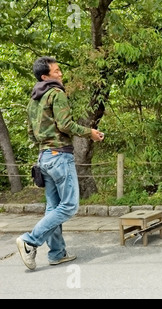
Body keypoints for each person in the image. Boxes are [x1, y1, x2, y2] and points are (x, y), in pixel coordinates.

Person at [16, 56, 104, 270]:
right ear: (45, 76)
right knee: (70, 205)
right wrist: (89, 132)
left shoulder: (33, 100)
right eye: (56, 71)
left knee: (53, 207)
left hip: (43, 157)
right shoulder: (56, 93)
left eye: (60, 70)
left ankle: (56, 253)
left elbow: (31, 133)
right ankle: (29, 240)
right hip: (59, 156)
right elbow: (65, 125)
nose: (60, 74)